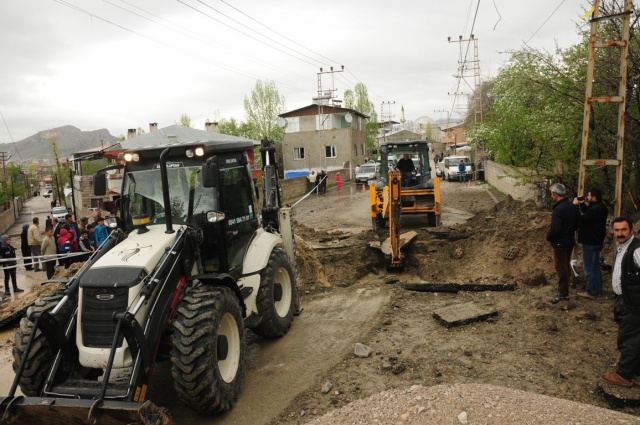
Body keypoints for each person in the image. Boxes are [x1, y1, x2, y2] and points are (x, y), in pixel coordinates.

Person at [601, 217, 640, 387]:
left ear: (631, 230)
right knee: (636, 337)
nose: (620, 234)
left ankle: (624, 375)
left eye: (623, 230)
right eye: (616, 230)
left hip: (633, 303)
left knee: (628, 338)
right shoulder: (622, 247)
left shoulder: (636, 249)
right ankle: (637, 374)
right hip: (624, 299)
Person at [546, 183, 580, 304]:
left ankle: (563, 294)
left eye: (552, 194)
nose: (551, 196)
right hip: (569, 241)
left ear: (555, 194)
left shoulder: (558, 209)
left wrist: (549, 237)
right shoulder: (572, 207)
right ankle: (563, 287)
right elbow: (577, 224)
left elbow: (555, 229)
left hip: (560, 243)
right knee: (566, 265)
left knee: (561, 268)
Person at [574, 188, 608, 299]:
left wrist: (575, 206)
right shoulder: (600, 207)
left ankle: (591, 291)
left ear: (594, 197)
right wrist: (582, 203)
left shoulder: (595, 210)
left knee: (589, 268)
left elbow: (581, 219)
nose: (587, 197)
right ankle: (597, 290)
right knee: (595, 267)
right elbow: (587, 213)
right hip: (596, 241)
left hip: (590, 241)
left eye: (589, 196)